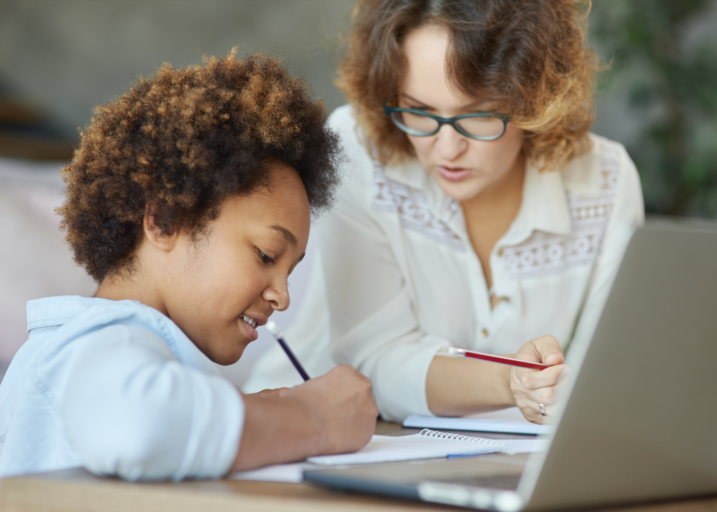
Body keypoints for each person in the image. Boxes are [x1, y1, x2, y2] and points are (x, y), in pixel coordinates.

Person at [245, 0, 644, 424]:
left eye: (479, 116)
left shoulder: (606, 180)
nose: (448, 149)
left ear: (535, 97)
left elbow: (607, 380)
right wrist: (510, 380)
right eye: (419, 111)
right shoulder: (359, 151)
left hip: (512, 464)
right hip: (325, 442)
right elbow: (375, 364)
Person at [0, 50, 378, 480]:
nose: (283, 296)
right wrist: (313, 417)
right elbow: (138, 426)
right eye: (267, 255)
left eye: (289, 271)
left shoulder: (87, 345)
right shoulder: (109, 340)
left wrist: (266, 408)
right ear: (165, 221)